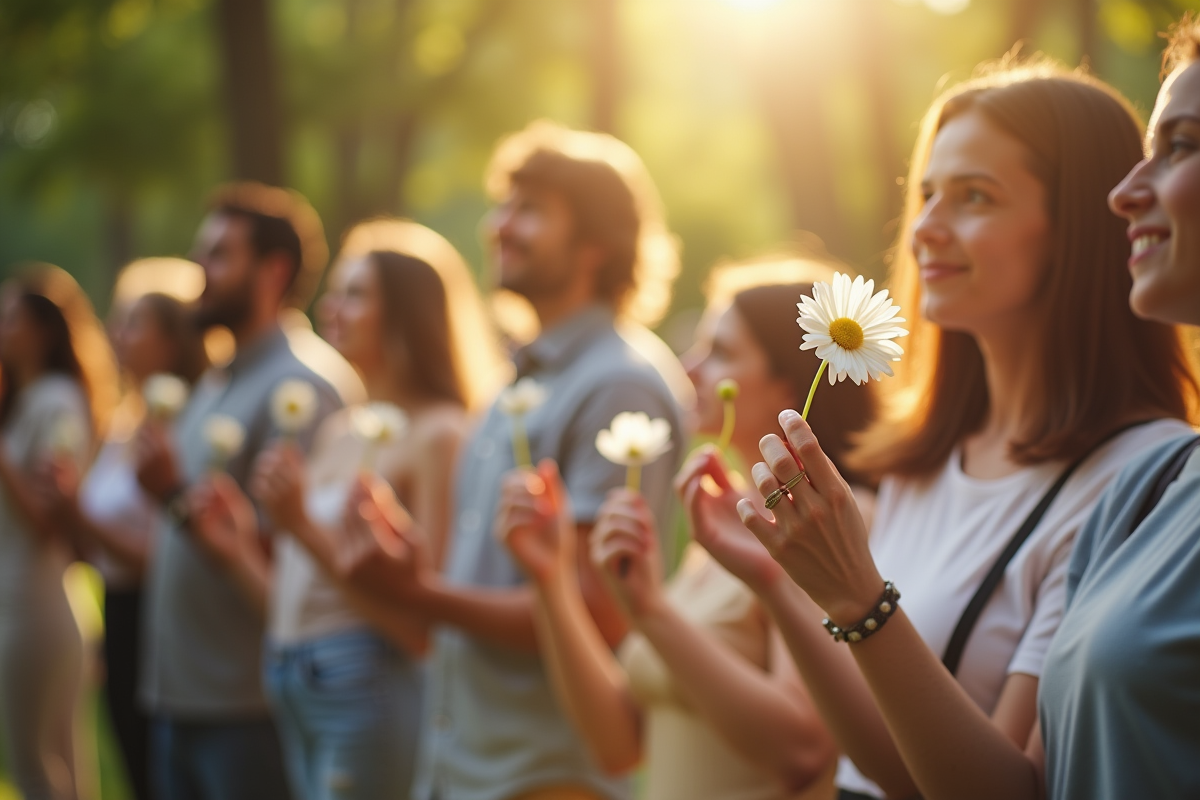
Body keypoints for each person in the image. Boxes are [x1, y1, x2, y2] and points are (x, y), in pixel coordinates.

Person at [680, 63, 1200, 800]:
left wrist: (861, 600)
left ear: (1082, 223)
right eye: (925, 194)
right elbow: (877, 763)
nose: (924, 228)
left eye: (974, 197)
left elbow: (1010, 787)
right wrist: (778, 581)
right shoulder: (915, 460)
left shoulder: (1134, 478)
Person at [344, 121, 687, 800]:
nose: (498, 227)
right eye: (504, 207)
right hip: (465, 762)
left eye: (530, 211)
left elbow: (596, 610)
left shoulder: (620, 381)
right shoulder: (516, 381)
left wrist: (419, 594)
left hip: (542, 770)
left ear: (595, 243)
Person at [498, 257, 882, 800]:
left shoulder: (833, 524)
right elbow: (619, 744)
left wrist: (652, 611)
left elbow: (803, 750)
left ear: (788, 382)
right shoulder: (725, 521)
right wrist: (552, 579)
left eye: (720, 352)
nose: (688, 368)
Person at [200, 218, 506, 800]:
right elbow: (303, 596)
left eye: (357, 293)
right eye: (336, 290)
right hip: (292, 674)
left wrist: (301, 527)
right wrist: (237, 546)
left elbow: (424, 626)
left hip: (365, 679)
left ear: (409, 313)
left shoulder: (441, 433)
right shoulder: (340, 427)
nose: (332, 306)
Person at [133, 183, 342, 800]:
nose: (201, 271)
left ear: (273, 270)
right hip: (183, 698)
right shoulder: (216, 380)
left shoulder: (304, 387)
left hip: (246, 706)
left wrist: (171, 491)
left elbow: (297, 563)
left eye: (220, 255)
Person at [38, 258, 208, 800]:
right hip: (119, 611)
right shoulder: (123, 421)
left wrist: (78, 516)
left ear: (172, 340)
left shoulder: (188, 426)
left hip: (162, 617)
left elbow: (167, 554)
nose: (116, 333)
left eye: (133, 322)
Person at [0, 265, 118, 800]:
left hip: (33, 605)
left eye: (11, 317)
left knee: (34, 767)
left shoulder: (57, 401)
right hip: (31, 600)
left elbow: (52, 521)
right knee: (61, 765)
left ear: (43, 329)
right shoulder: (30, 402)